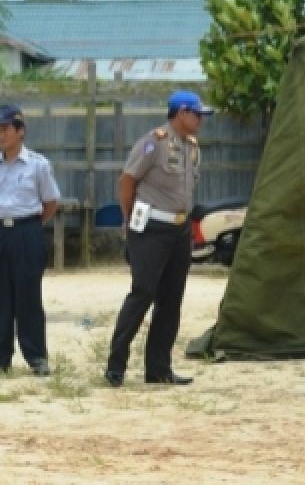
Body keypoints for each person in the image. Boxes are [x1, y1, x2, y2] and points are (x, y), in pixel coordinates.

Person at [104, 90, 212, 387]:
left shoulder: (192, 147)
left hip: (179, 229)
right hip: (151, 227)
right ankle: (116, 365)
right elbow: (127, 181)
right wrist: (129, 220)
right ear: (181, 113)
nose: (201, 119)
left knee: (171, 300)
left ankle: (159, 368)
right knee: (142, 293)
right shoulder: (154, 142)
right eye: (197, 113)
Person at [0, 104, 60, 377]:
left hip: (27, 230)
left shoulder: (38, 165)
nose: (1, 135)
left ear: (20, 131)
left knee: (28, 294)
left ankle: (36, 356)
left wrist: (31, 226)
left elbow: (50, 202)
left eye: (6, 129)